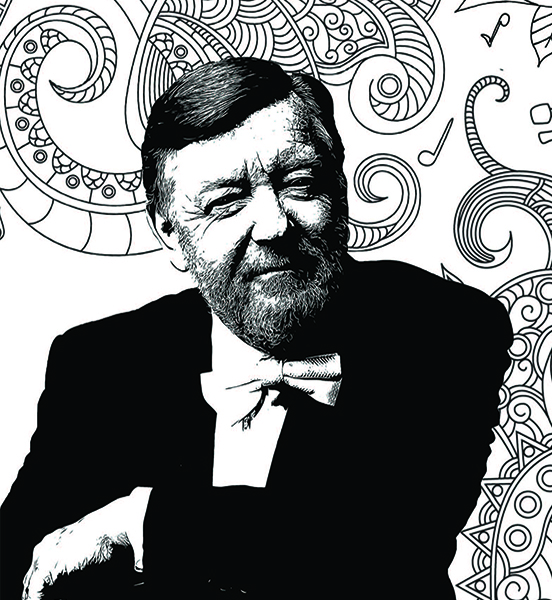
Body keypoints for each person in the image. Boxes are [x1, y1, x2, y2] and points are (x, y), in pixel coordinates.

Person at [0, 57, 513, 599]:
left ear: (341, 190)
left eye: (301, 184)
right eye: (225, 201)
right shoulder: (101, 361)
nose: (272, 225)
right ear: (170, 233)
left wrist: (138, 522)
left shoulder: (445, 327)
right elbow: (18, 562)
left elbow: (385, 547)